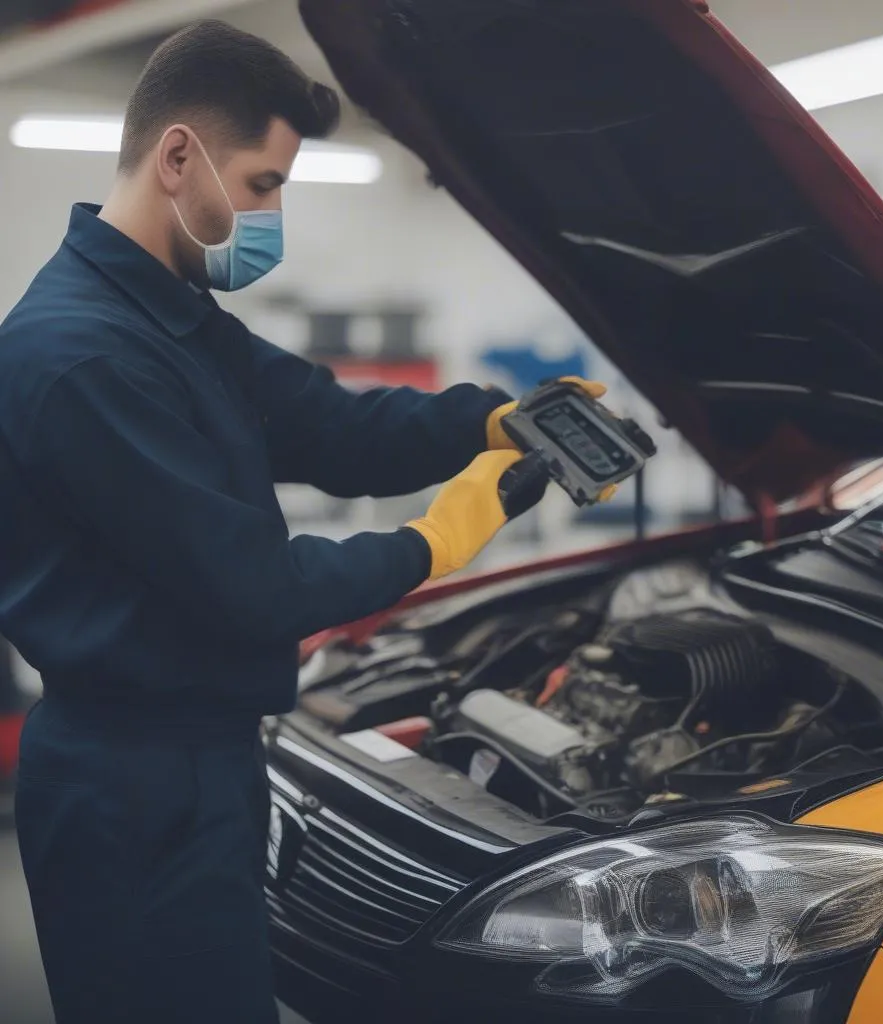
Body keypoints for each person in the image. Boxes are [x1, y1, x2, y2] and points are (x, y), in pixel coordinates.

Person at [0, 20, 603, 1024]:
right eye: (262, 183)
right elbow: (251, 588)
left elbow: (332, 424)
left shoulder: (168, 318)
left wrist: (487, 419)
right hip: (133, 786)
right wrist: (433, 541)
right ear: (178, 156)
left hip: (192, 761)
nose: (270, 212)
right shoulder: (84, 358)